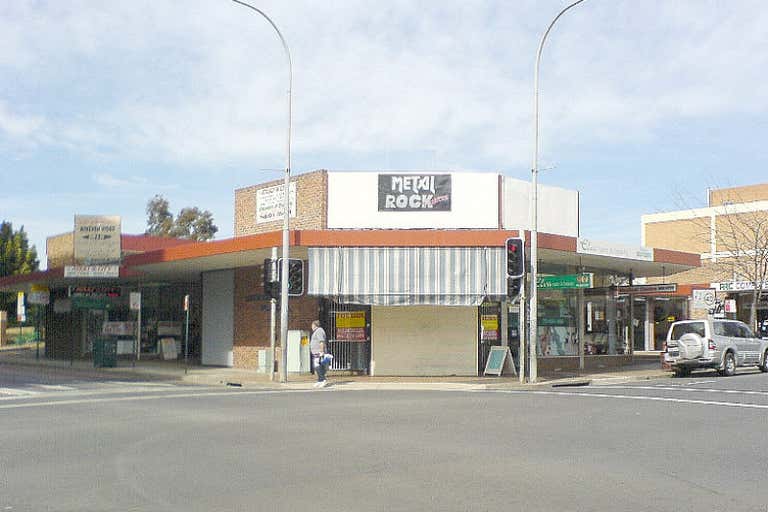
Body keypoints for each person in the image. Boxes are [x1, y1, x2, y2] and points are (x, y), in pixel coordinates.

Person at [310, 320, 329, 388]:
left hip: (319, 352)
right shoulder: (317, 331)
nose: (311, 327)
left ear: (315, 325)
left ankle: (323, 380)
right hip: (316, 352)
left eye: (312, 325)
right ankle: (319, 380)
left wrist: (321, 351)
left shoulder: (319, 331)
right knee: (317, 366)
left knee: (317, 366)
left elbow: (321, 341)